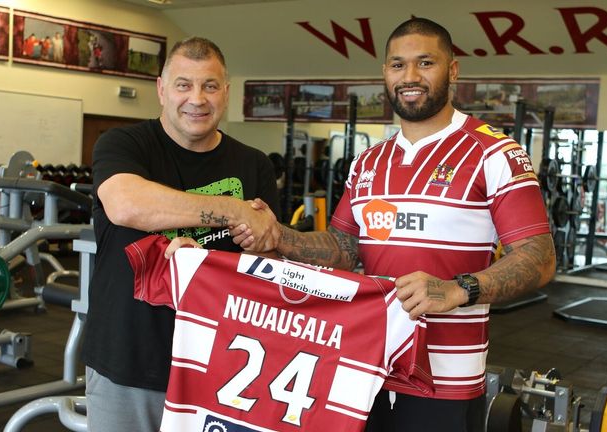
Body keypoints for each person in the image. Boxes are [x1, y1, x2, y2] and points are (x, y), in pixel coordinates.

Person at [234, 17, 556, 432]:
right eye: (397, 65)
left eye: (425, 63)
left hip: (445, 382)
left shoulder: (494, 153)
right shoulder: (368, 161)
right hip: (363, 368)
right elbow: (344, 248)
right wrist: (279, 235)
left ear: (453, 70)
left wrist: (460, 289)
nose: (410, 77)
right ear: (385, 73)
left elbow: (539, 257)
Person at [81, 36, 281, 432]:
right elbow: (126, 204)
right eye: (183, 85)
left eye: (209, 86)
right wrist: (235, 212)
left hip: (222, 368)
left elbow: (267, 263)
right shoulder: (123, 144)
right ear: (161, 89)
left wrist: (245, 250)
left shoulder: (253, 164)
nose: (197, 99)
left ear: (226, 92)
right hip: (128, 362)